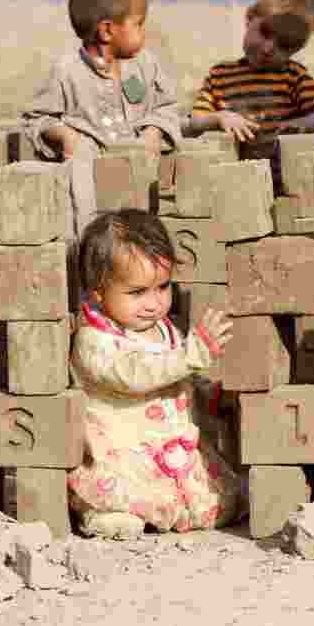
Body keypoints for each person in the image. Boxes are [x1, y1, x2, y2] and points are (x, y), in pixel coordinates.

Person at [67, 208, 244, 539]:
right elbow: (137, 373)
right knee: (118, 494)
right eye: (137, 293)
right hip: (125, 451)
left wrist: (210, 394)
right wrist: (193, 354)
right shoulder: (94, 342)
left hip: (168, 447)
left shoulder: (163, 329)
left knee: (223, 500)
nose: (153, 303)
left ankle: (170, 511)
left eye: (162, 287)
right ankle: (101, 516)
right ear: (98, 293)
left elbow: (179, 379)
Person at [21, 0, 181, 241]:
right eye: (139, 24)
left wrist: (153, 132)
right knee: (96, 244)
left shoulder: (144, 65)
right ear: (107, 30)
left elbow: (166, 106)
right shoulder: (66, 72)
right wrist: (67, 138)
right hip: (89, 189)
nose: (144, 33)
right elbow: (36, 119)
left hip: (140, 178)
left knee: (141, 242)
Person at [184, 0, 314, 194]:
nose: (268, 49)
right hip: (231, 186)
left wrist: (289, 125)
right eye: (265, 33)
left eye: (284, 45)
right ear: (249, 18)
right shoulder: (220, 75)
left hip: (283, 188)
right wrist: (220, 117)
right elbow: (195, 120)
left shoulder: (294, 76)